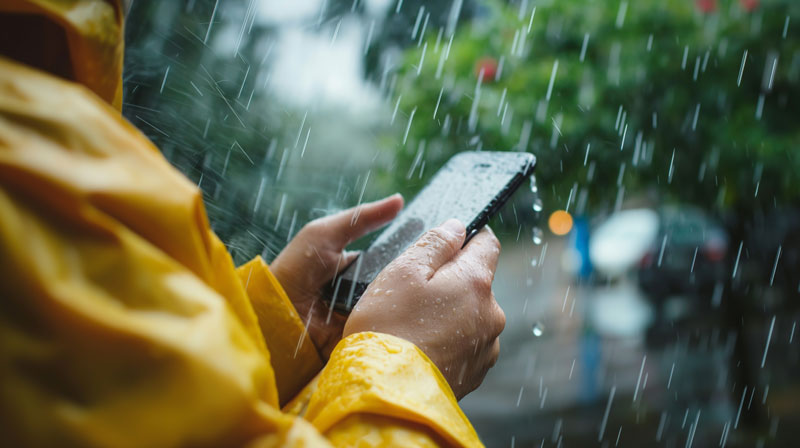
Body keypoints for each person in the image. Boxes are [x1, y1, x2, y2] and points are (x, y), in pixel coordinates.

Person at [0, 1, 507, 446]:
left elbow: (145, 405)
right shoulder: (28, 150)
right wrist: (405, 365)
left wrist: (284, 325)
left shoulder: (46, 120)